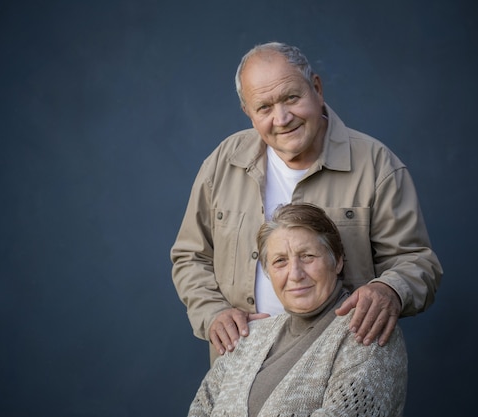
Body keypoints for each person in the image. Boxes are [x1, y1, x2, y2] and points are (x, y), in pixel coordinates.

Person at [171, 41, 442, 363]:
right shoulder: (223, 163)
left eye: (291, 98)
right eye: (264, 108)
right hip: (238, 364)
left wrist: (391, 290)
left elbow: (417, 262)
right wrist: (212, 312)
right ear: (248, 113)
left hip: (338, 364)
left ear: (316, 88)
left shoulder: (377, 165)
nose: (282, 118)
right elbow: (190, 256)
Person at [187, 203, 408, 416]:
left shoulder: (365, 330)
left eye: (308, 256)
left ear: (338, 261)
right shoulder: (247, 337)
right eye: (280, 261)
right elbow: (200, 410)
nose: (295, 274)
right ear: (268, 272)